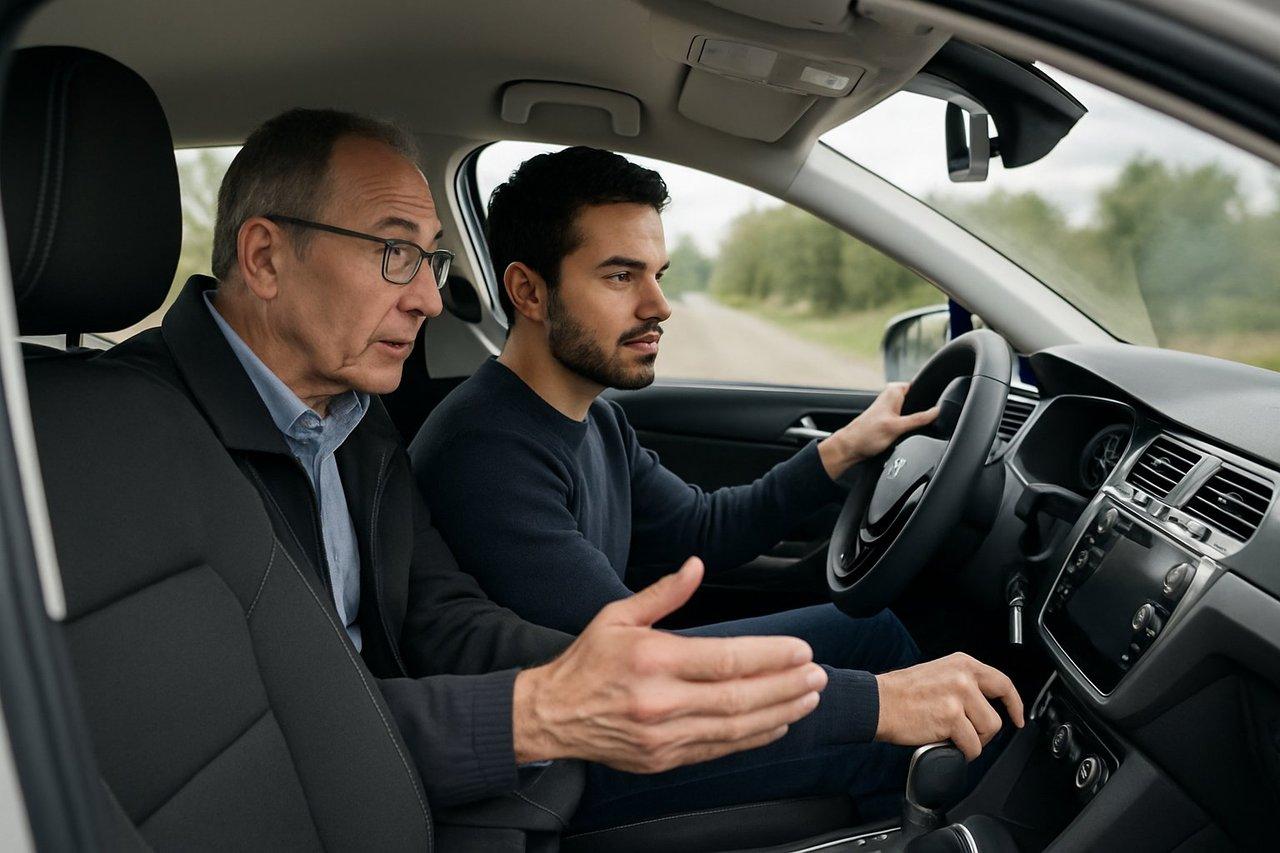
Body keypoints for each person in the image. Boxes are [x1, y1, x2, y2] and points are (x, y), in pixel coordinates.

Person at [109, 108, 1022, 833]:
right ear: (266, 256)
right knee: (896, 709)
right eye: (397, 253)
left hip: (463, 760)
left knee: (878, 635)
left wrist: (838, 453)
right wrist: (540, 708)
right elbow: (263, 728)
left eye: (428, 258)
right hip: (466, 785)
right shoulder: (141, 447)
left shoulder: (354, 422)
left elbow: (451, 616)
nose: (429, 294)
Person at [408, 147, 932, 685]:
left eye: (658, 274)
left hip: (624, 696)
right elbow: (627, 659)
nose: (659, 306)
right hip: (583, 746)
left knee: (875, 631)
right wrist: (882, 704)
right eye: (620, 276)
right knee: (877, 644)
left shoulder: (599, 421)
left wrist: (848, 445)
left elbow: (701, 529)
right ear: (530, 292)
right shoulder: (487, 452)